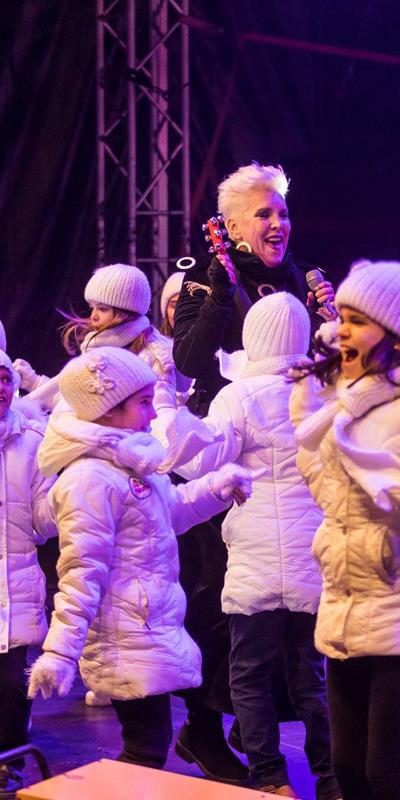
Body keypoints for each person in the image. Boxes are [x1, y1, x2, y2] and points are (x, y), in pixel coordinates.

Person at [170, 162, 336, 781]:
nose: (278, 223)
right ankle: (204, 730)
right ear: (233, 224)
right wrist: (219, 290)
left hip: (287, 469)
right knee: (218, 603)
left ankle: (255, 724)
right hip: (221, 460)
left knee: (291, 622)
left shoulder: (300, 277)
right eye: (264, 213)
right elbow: (190, 361)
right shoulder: (206, 276)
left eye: (283, 212)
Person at [27, 347, 255, 771]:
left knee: (148, 746)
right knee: (144, 749)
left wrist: (216, 487)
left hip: (147, 626)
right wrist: (59, 652)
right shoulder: (89, 479)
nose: (152, 414)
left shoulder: (131, 463)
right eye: (144, 403)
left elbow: (172, 510)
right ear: (107, 411)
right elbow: (80, 571)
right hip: (123, 634)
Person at [289, 259, 400, 800]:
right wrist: (307, 414)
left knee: (387, 774)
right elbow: (329, 494)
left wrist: (377, 480)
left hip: (394, 610)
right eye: (343, 320)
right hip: (344, 606)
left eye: (358, 321)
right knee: (348, 770)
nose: (342, 331)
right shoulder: (342, 405)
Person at [0, 350, 57, 797]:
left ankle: (10, 760)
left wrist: (64, 501)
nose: (0, 388)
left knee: (11, 682)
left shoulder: (32, 441)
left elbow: (42, 523)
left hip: (16, 578)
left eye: (4, 378)